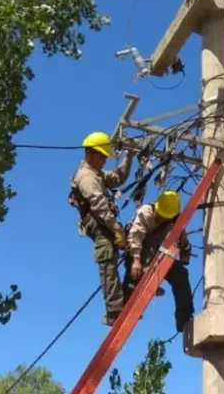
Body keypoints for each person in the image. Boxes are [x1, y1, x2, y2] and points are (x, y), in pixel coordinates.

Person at [68, 131, 135, 327]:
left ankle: (130, 289)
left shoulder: (96, 172)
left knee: (130, 244)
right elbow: (98, 205)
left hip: (104, 220)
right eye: (102, 156)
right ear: (90, 153)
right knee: (107, 257)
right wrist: (116, 229)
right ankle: (114, 310)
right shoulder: (86, 177)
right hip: (96, 222)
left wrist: (129, 157)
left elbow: (117, 179)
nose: (105, 161)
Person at [123, 190, 195, 333]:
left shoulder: (176, 220)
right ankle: (127, 300)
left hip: (159, 254)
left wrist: (185, 252)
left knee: (181, 276)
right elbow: (135, 236)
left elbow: (184, 241)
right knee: (133, 273)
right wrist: (136, 260)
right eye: (160, 215)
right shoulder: (146, 212)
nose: (161, 219)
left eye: (165, 217)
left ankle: (184, 319)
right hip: (139, 250)